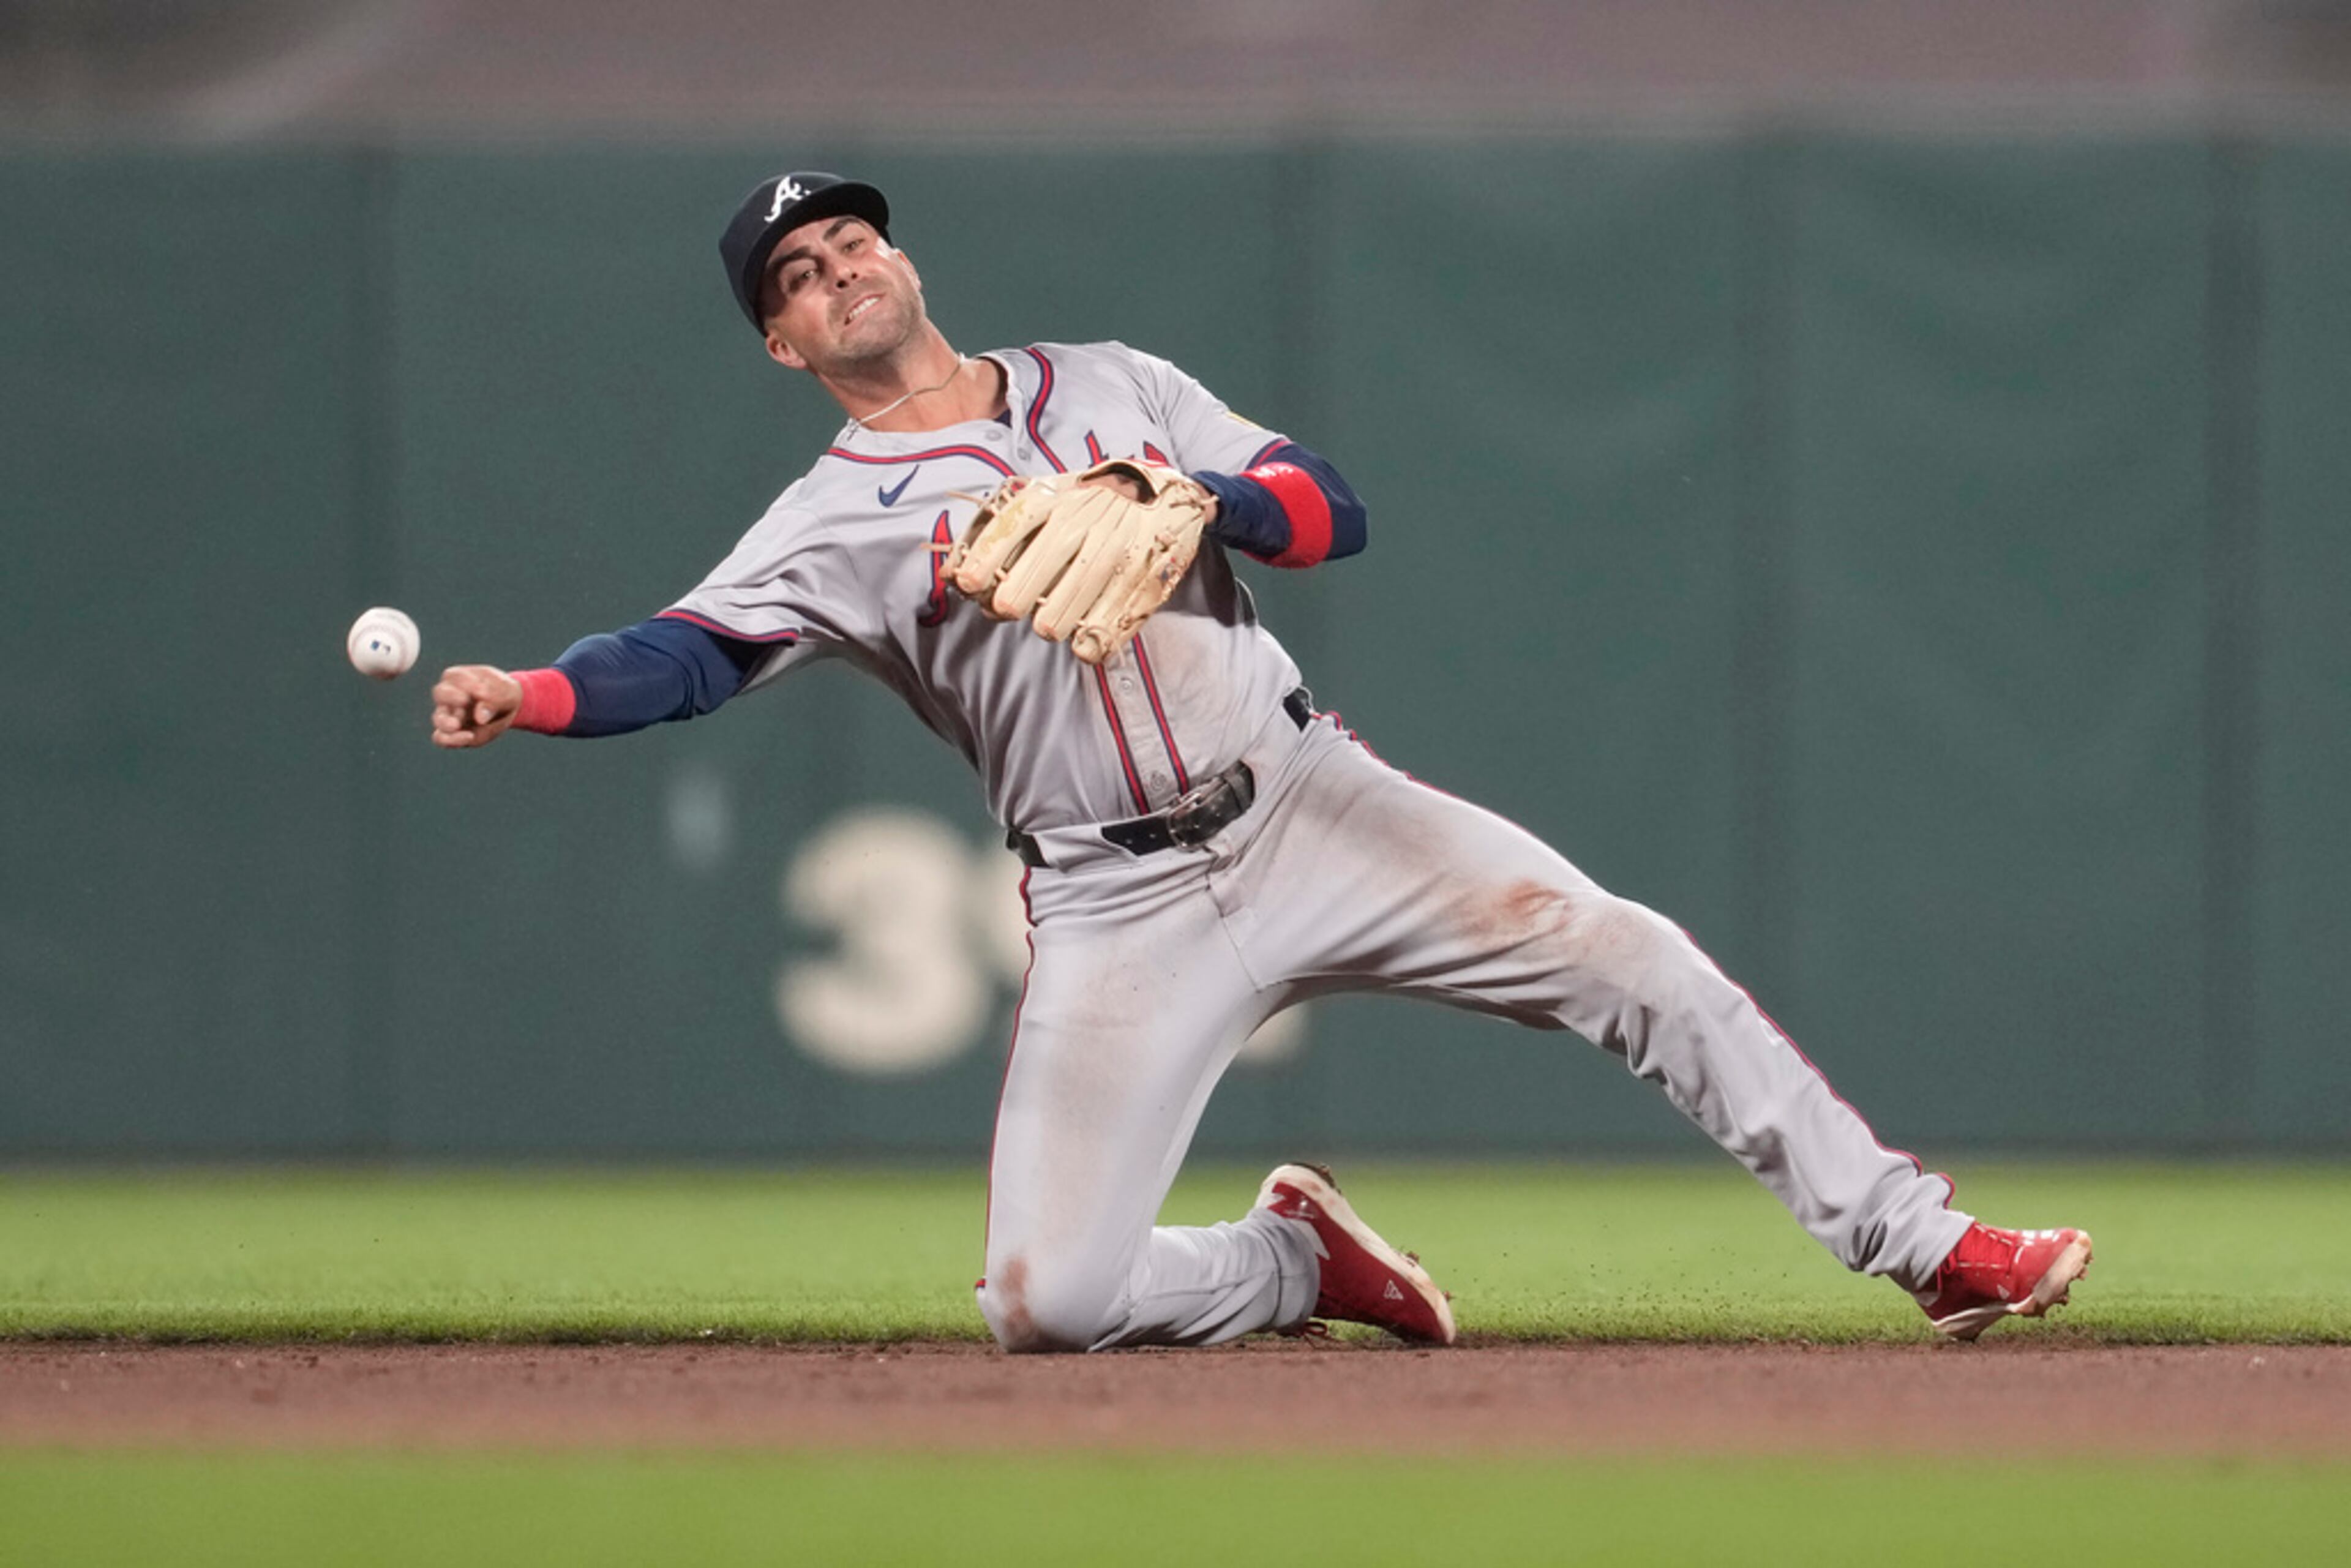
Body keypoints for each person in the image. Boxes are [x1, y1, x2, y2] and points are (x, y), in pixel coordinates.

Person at [430, 170, 2093, 1352]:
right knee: (1045, 1304)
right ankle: (1286, 1264)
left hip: (1306, 800)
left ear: (906, 259)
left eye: (849, 237)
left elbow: (1329, 508)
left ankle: (1929, 1244)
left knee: (1626, 951)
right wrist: (536, 691)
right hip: (1112, 900)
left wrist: (1194, 500)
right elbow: (685, 656)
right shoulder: (828, 521)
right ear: (783, 348)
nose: (834, 267)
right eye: (793, 276)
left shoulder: (1114, 386)